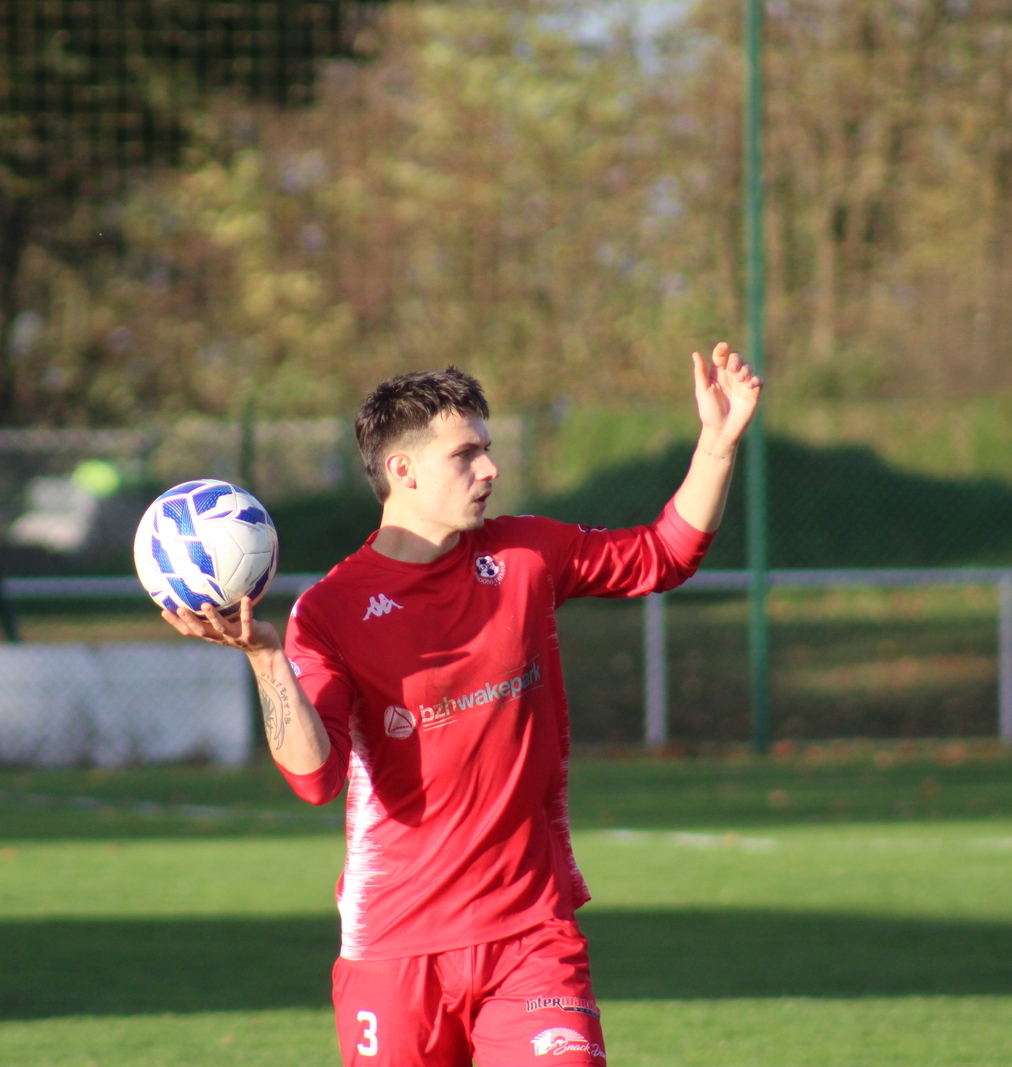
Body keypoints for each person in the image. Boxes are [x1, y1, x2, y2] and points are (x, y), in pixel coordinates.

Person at [163, 343, 762, 1066]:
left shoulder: (525, 555)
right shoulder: (330, 611)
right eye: (467, 453)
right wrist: (266, 657)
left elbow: (664, 553)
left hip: (531, 933)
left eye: (488, 448)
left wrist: (717, 445)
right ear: (403, 470)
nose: (490, 468)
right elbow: (315, 779)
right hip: (395, 947)